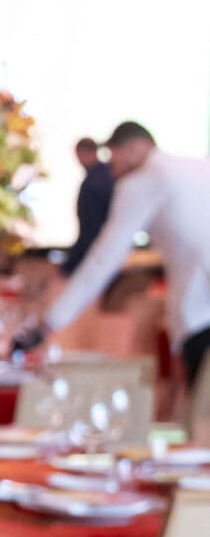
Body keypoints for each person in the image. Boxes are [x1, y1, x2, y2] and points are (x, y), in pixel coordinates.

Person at [44, 121, 210, 394]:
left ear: (135, 147)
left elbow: (104, 258)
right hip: (201, 308)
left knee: (203, 417)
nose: (111, 165)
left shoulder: (145, 180)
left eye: (114, 154)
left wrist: (50, 321)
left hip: (202, 313)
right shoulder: (195, 167)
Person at [61, 135, 112, 274]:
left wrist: (68, 267)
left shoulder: (92, 183)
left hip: (98, 254)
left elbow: (89, 229)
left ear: (82, 153)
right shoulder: (110, 174)